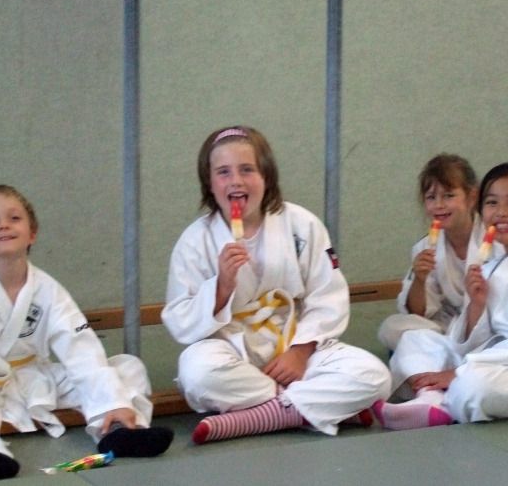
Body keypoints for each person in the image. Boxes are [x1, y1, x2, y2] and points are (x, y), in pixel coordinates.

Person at [0, 185, 172, 483]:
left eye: (14, 218)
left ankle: (118, 430)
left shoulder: (48, 290)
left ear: (32, 234)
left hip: (36, 380)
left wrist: (114, 400)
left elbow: (80, 348)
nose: (3, 225)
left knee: (128, 366)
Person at [161, 126, 391, 444]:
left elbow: (328, 296)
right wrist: (221, 287)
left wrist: (300, 352)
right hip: (233, 351)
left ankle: (254, 418)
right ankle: (305, 407)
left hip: (295, 347)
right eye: (223, 172)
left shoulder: (302, 225)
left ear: (266, 176)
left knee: (375, 376)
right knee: (197, 373)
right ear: (209, 184)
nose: (236, 181)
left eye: (247, 169)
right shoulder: (195, 241)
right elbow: (180, 320)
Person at [373, 162, 508, 430]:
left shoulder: (496, 250)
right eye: (492, 203)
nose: (501, 212)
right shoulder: (495, 265)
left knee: (474, 385)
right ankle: (430, 397)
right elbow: (476, 337)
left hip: (506, 361)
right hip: (478, 348)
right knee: (414, 339)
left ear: (470, 197)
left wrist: (458, 371)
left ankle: (439, 400)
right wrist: (476, 305)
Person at [378, 154, 501, 352]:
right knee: (391, 328)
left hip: (487, 326)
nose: (438, 205)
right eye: (431, 197)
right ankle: (452, 353)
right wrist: (419, 279)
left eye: (449, 196)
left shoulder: (496, 240)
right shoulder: (424, 247)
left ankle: (448, 356)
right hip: (446, 329)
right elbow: (418, 314)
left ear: (472, 197)